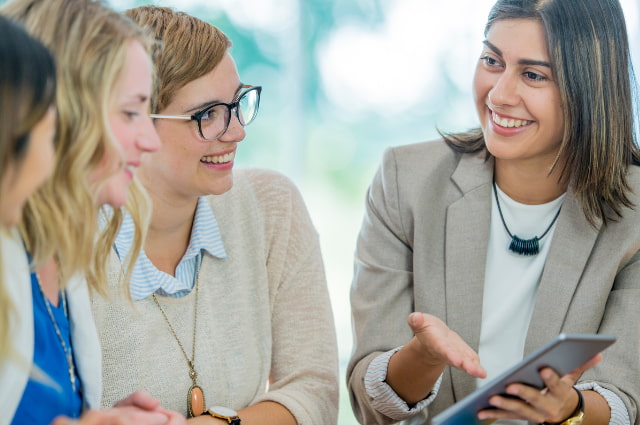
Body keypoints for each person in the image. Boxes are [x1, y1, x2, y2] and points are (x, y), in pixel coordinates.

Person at [348, 0, 640, 424]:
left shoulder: (634, 212)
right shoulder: (405, 180)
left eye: (533, 75)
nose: (499, 95)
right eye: (491, 60)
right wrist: (423, 358)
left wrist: (570, 410)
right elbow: (369, 400)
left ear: (588, 87)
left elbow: (625, 401)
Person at [90, 5, 339, 425]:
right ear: (131, 118)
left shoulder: (269, 205)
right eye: (207, 115)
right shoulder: (63, 237)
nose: (237, 130)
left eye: (238, 102)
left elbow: (314, 392)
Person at [0, 0, 185, 424]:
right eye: (130, 112)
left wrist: (95, 417)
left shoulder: (62, 253)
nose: (150, 141)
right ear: (62, 112)